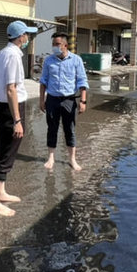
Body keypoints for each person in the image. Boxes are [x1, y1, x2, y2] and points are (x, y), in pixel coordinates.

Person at [0, 20, 37, 217]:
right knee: (7, 152)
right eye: (27, 35)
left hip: (4, 106)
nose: (28, 38)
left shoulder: (3, 52)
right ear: (21, 37)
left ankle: (1, 192)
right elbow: (11, 89)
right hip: (11, 108)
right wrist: (17, 120)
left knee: (6, 148)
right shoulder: (13, 55)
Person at [39, 32, 88, 171]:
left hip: (69, 100)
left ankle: (72, 159)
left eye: (57, 44)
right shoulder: (48, 61)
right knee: (52, 128)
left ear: (65, 45)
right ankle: (51, 157)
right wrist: (41, 100)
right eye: (53, 44)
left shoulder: (76, 60)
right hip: (52, 99)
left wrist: (83, 101)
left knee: (70, 129)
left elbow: (82, 81)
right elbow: (43, 81)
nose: (54, 46)